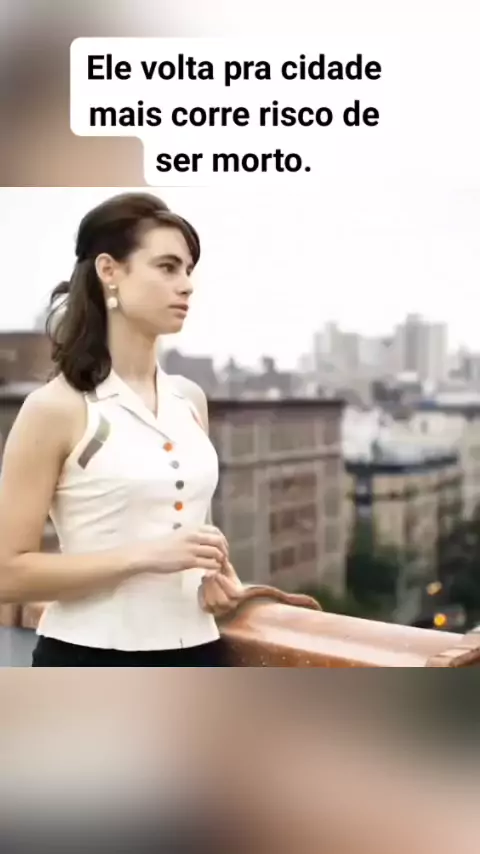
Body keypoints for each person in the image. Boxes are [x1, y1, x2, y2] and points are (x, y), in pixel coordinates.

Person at [0, 191, 244, 666]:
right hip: (88, 659)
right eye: (167, 267)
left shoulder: (189, 400)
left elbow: (191, 532)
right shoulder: (55, 409)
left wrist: (215, 580)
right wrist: (146, 556)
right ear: (109, 270)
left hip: (199, 653)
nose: (186, 285)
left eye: (188, 270)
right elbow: (8, 573)